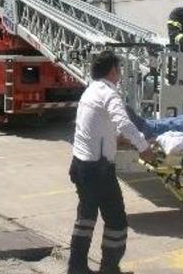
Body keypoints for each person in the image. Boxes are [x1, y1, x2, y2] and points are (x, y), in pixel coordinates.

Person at [68, 51, 155, 274]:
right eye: (119, 70)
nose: (120, 74)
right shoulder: (109, 94)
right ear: (113, 70)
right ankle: (109, 269)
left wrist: (116, 141)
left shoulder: (89, 91)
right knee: (116, 221)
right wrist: (143, 148)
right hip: (98, 169)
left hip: (80, 165)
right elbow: (123, 122)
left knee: (86, 219)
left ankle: (76, 268)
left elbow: (95, 128)